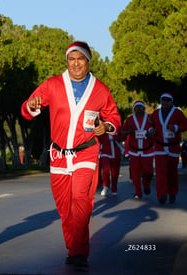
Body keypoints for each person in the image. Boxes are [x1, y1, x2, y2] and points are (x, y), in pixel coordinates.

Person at [21, 41, 121, 270]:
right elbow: (27, 110)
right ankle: (74, 245)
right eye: (71, 59)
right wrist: (32, 105)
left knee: (81, 199)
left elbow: (114, 118)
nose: (76, 63)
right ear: (67, 62)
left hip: (86, 151)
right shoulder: (53, 84)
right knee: (64, 206)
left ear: (88, 61)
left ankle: (79, 251)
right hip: (58, 154)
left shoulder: (100, 89)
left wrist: (105, 126)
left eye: (80, 59)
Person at [149, 93, 187, 204]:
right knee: (160, 172)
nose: (165, 102)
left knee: (172, 172)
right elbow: (150, 125)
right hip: (159, 146)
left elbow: (185, 125)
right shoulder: (155, 113)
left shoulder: (178, 113)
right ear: (160, 101)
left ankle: (172, 192)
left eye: (167, 100)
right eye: (163, 100)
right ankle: (161, 195)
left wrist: (176, 128)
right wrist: (151, 131)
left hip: (173, 147)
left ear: (171, 101)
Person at [120, 101, 155, 199]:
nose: (139, 109)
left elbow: (154, 130)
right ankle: (138, 192)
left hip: (147, 150)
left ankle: (146, 184)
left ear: (144, 108)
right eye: (137, 107)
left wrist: (151, 133)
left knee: (149, 172)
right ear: (134, 109)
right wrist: (129, 131)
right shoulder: (130, 119)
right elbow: (122, 132)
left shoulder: (149, 118)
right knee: (135, 173)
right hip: (134, 151)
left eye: (141, 107)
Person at [98, 131, 124, 196]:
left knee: (115, 171)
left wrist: (116, 137)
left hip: (116, 150)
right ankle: (105, 186)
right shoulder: (102, 124)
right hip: (105, 150)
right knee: (105, 169)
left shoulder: (118, 125)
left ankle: (114, 187)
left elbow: (123, 136)